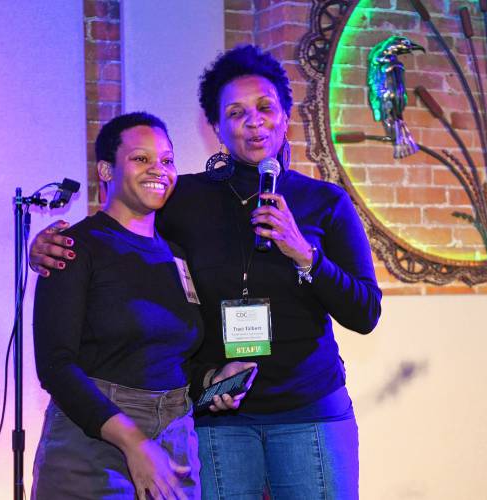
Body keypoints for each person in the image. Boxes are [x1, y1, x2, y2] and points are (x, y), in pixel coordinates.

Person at [31, 45, 382, 499]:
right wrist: (49, 246)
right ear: (216, 126)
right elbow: (125, 225)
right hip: (217, 419)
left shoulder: (325, 202)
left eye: (264, 108)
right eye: (235, 112)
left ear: (285, 116)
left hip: (309, 412)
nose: (253, 121)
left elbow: (365, 312)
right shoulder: (183, 198)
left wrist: (304, 254)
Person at [31, 112, 254, 500]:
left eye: (167, 160)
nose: (159, 169)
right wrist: (134, 443)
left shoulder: (176, 255)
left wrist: (213, 380)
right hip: (94, 442)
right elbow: (55, 366)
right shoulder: (73, 248)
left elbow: (173, 356)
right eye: (141, 158)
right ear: (106, 169)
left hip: (174, 441)